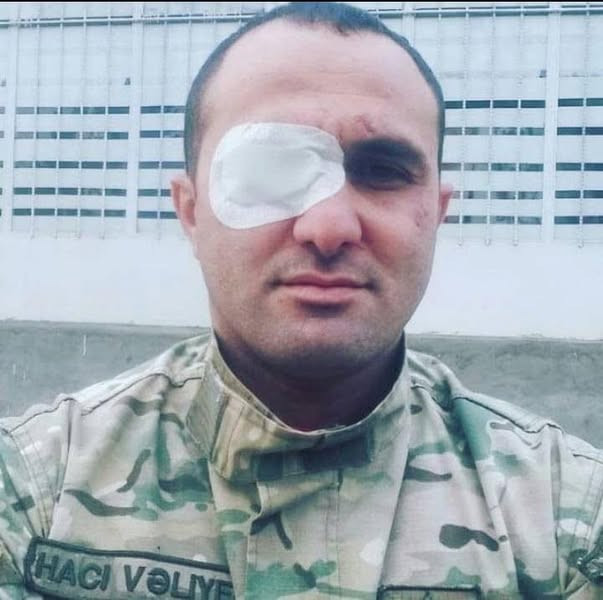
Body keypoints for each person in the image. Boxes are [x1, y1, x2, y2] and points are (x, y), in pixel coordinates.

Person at [0, 2, 601, 598]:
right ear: (191, 212)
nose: (328, 226)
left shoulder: (567, 515)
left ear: (436, 214)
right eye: (271, 168)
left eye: (383, 171)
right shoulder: (32, 488)